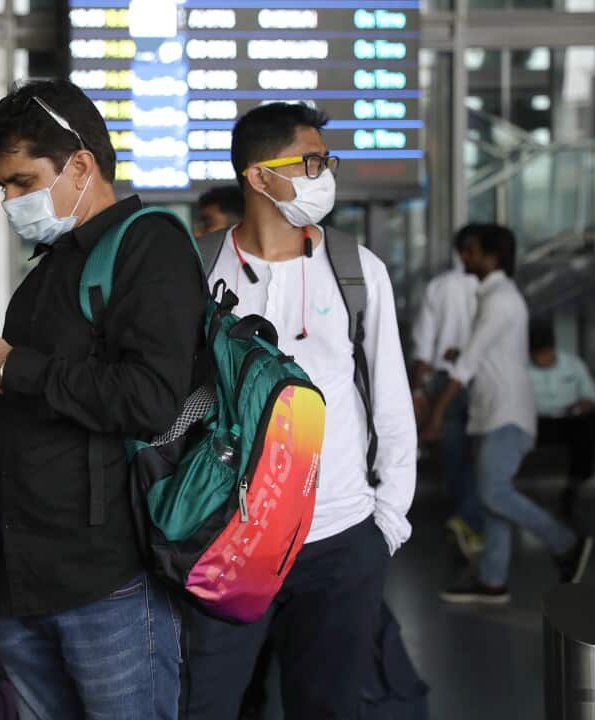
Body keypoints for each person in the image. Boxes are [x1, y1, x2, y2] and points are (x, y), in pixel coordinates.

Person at [0, 79, 204, 719]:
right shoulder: (48, 272)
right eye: (2, 187)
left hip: (108, 578)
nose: (10, 200)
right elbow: (14, 420)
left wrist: (11, 366)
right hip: (24, 575)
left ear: (82, 165)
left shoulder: (151, 245)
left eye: (21, 181)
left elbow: (148, 398)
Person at [183, 102, 418, 720]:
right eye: (310, 162)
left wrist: (385, 524)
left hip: (340, 541)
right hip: (226, 542)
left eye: (324, 160)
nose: (325, 174)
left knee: (327, 708)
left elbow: (390, 400)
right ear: (259, 177)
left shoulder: (356, 270)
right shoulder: (195, 268)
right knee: (205, 704)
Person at [427, 224, 593, 605]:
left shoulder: (501, 299)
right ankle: (492, 581)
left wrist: (436, 413)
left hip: (506, 414)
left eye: (471, 251)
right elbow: (483, 353)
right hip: (494, 413)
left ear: (492, 256)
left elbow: (468, 363)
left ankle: (566, 543)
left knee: (493, 491)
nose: (464, 257)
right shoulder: (494, 297)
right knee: (492, 498)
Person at [411, 227, 482, 558]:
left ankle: (464, 519)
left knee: (455, 456)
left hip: (444, 383)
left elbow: (423, 346)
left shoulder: (439, 287)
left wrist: (420, 389)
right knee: (482, 458)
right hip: (483, 382)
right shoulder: (492, 287)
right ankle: (472, 521)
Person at [527, 319, 595, 519]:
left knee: (589, 426)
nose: (544, 359)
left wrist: (579, 407)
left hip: (569, 420)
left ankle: (574, 484)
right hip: (536, 422)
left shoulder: (572, 364)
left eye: (547, 353)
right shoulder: (520, 369)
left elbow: (590, 397)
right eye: (538, 355)